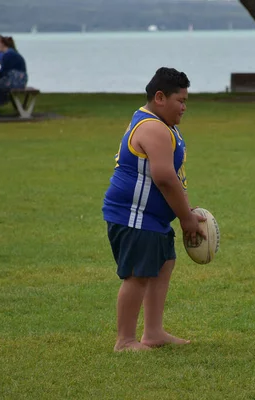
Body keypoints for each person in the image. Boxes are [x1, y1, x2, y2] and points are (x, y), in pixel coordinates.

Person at [102, 67, 206, 352]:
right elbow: (163, 177)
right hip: (134, 216)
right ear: (160, 97)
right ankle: (124, 341)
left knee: (163, 264)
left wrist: (186, 208)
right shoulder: (153, 127)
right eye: (180, 101)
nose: (184, 107)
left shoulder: (163, 125)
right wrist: (185, 219)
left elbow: (174, 176)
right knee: (138, 275)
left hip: (151, 217)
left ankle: (154, 332)